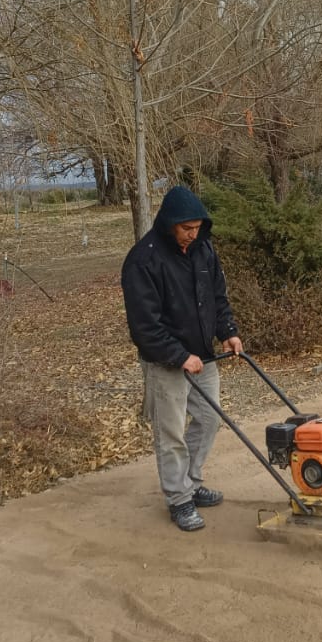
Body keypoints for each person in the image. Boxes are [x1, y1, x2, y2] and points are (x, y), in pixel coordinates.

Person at [121, 185, 243, 531]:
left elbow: (217, 297)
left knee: (209, 420)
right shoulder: (144, 260)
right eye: (186, 228)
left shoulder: (203, 249)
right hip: (166, 361)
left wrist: (229, 331)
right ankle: (178, 499)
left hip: (204, 355)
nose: (193, 234)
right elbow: (144, 326)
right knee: (171, 433)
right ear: (169, 224)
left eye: (197, 227)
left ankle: (191, 481)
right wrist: (179, 355)